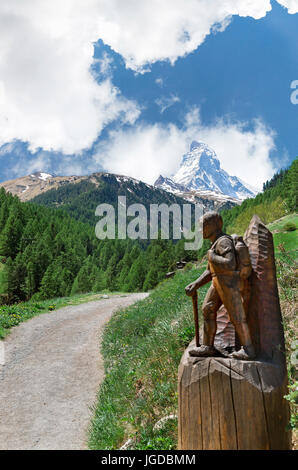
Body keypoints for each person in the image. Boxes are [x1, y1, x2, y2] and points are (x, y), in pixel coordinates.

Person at [185, 211, 255, 360]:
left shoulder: (223, 241)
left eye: (202, 226)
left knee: (236, 316)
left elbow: (230, 263)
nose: (200, 230)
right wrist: (196, 284)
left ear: (213, 226)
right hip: (218, 282)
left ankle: (249, 350)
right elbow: (210, 271)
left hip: (228, 283)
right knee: (207, 309)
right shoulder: (215, 243)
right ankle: (208, 346)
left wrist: (213, 256)